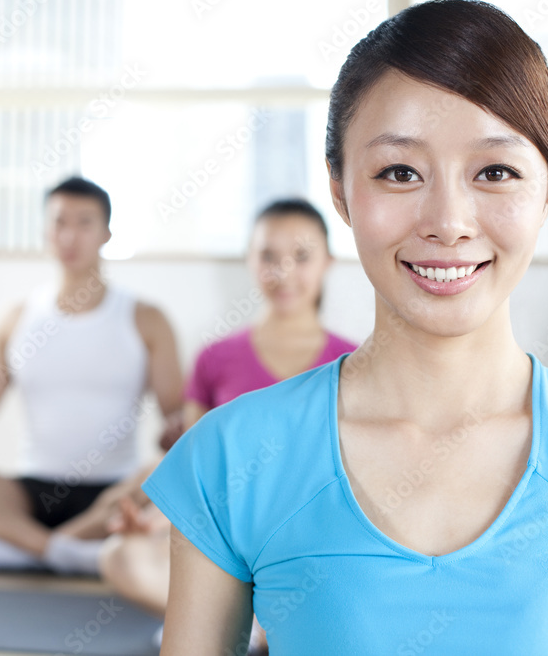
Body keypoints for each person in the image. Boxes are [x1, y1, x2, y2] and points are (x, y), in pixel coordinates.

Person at [143, 0, 548, 655]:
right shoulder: (231, 456)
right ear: (341, 190)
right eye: (400, 171)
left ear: (546, 191)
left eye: (495, 171)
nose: (449, 220)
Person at [100, 197, 357, 618]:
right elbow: (199, 474)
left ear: (328, 262)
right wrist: (153, 524)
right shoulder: (214, 358)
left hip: (314, 544)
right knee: (119, 556)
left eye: (302, 256)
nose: (284, 271)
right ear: (249, 261)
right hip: (231, 541)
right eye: (269, 256)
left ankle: (242, 622)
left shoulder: (354, 361)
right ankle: (254, 627)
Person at [0, 176, 182, 575]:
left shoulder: (146, 319)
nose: (70, 236)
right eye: (60, 223)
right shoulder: (17, 319)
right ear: (46, 231)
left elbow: (176, 412)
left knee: (177, 463)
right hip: (29, 496)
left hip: (115, 496)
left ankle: (25, 549)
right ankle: (62, 550)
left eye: (84, 223)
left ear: (106, 232)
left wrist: (177, 428)